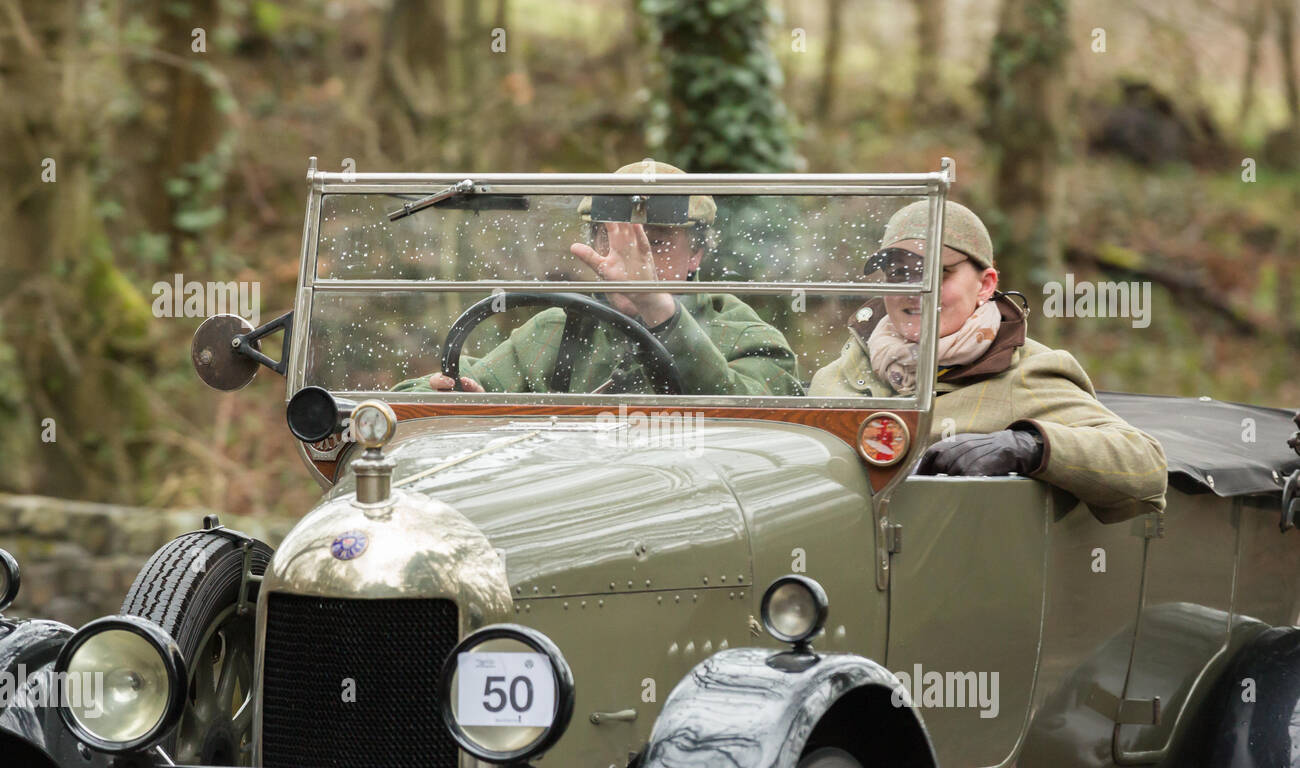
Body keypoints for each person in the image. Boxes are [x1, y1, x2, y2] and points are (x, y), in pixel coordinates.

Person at [809, 200, 1168, 525]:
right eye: (899, 273)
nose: (913, 290)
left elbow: (1146, 465)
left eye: (936, 273)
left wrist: (1029, 446)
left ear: (985, 285)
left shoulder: (1025, 371)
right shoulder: (839, 375)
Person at [393, 160, 801, 397]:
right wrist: (454, 396)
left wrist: (658, 307)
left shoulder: (743, 334)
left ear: (695, 254)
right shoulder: (560, 328)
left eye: (654, 244)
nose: (631, 259)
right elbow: (443, 390)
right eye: (614, 240)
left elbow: (768, 423)